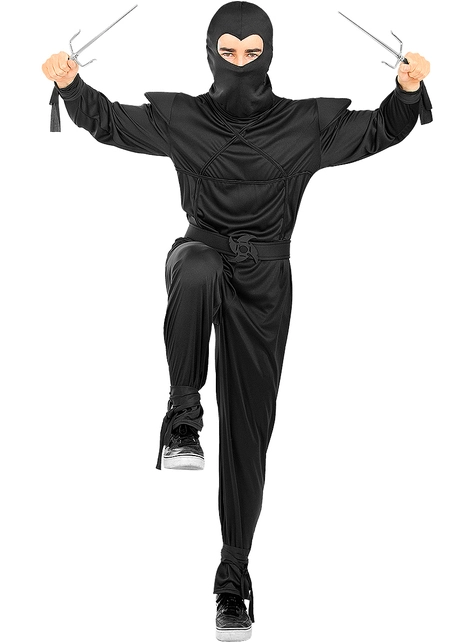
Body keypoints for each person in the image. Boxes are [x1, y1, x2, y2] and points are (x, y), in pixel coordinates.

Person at [42, 2, 432, 640]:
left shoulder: (304, 126)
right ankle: (182, 415)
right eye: (228, 52)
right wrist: (70, 84)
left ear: (270, 53)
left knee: (250, 431)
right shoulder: (184, 119)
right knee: (196, 267)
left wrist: (407, 88)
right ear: (209, 52)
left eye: (253, 53)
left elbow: (380, 130)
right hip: (202, 251)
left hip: (267, 281)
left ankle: (233, 579)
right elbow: (109, 122)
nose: (241, 64)